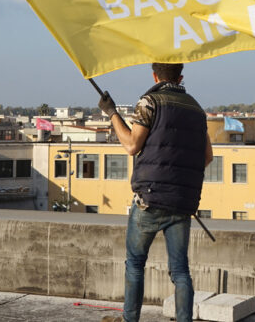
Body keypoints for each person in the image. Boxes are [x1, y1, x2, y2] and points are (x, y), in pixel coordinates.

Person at [98, 62, 213, 322]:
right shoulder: (197, 110)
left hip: (149, 199)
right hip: (183, 203)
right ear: (181, 77)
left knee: (135, 264)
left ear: (154, 75)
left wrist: (112, 112)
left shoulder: (150, 102)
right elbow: (207, 157)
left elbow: (131, 145)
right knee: (181, 271)